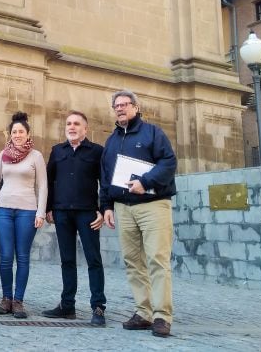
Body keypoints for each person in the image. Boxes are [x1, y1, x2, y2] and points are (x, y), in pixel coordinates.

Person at [101, 90, 177, 338]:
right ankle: (143, 312)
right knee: (133, 262)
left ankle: (162, 316)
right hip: (123, 208)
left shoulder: (152, 133)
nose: (121, 109)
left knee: (157, 259)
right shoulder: (111, 141)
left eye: (125, 105)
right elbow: (105, 178)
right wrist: (107, 206)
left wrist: (145, 181)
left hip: (153, 204)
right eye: (117, 106)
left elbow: (169, 162)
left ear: (135, 107)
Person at [42, 111, 107, 326]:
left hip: (88, 213)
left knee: (93, 259)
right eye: (69, 123)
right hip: (62, 213)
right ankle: (67, 305)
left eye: (77, 124)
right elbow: (49, 182)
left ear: (85, 129)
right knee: (67, 260)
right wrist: (49, 208)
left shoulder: (97, 151)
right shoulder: (57, 151)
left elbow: (104, 182)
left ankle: (98, 307)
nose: (72, 127)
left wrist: (103, 209)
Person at [0, 111, 47, 319]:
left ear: (28, 134)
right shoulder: (3, 155)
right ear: (10, 134)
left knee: (22, 257)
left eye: (21, 131)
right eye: (14, 132)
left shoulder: (36, 156)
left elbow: (42, 185)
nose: (17, 134)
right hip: (3, 209)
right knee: (5, 256)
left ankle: (18, 301)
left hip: (27, 211)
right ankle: (6, 299)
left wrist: (40, 211)